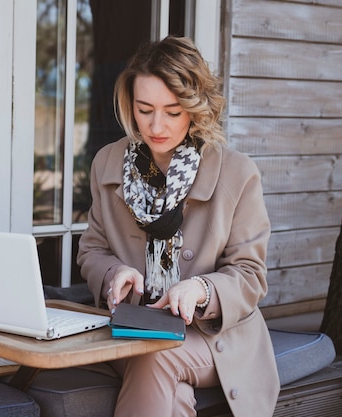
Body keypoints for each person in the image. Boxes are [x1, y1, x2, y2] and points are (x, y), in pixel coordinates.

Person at [77, 36, 279, 417]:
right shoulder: (107, 162)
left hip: (214, 337)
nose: (156, 126)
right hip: (131, 326)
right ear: (129, 105)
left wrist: (202, 289)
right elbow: (92, 250)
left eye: (172, 111)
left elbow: (250, 276)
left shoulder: (237, 173)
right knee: (168, 392)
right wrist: (114, 272)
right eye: (144, 109)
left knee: (158, 357)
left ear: (195, 108)